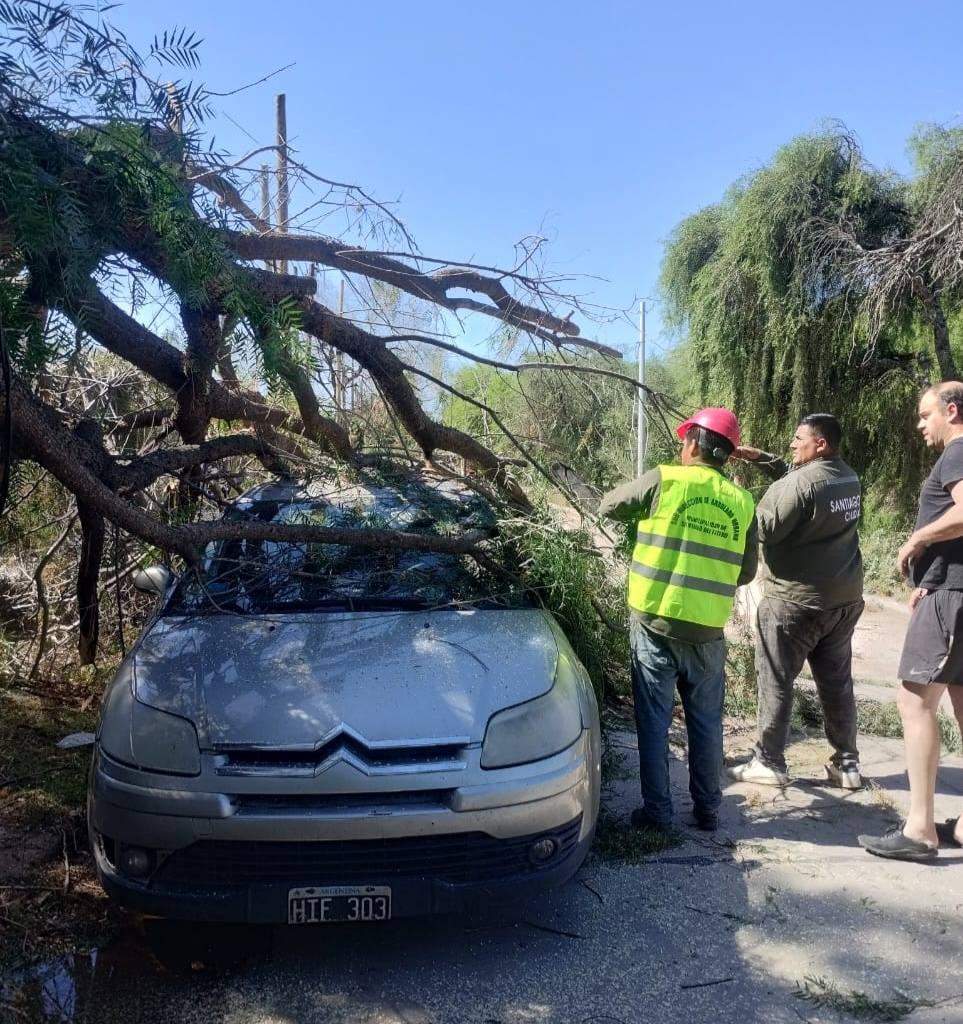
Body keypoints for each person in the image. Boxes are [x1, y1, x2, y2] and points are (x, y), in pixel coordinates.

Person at [599, 408, 757, 832]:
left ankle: (658, 812)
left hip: (655, 624)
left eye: (684, 440)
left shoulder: (665, 480)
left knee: (654, 723)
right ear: (727, 455)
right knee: (706, 724)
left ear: (692, 444)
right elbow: (746, 572)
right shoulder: (742, 502)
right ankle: (708, 809)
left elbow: (608, 505)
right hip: (708, 631)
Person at [727, 414, 865, 789]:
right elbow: (804, 486)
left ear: (820, 444)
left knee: (776, 677)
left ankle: (769, 762)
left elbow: (764, 528)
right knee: (837, 684)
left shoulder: (799, 484)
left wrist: (738, 497)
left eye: (798, 438)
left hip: (795, 603)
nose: (792, 443)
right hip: (843, 600)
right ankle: (847, 765)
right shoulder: (847, 477)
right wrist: (761, 459)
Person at [859, 382, 963, 861]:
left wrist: (917, 539)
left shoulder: (957, 452)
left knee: (914, 700)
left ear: (952, 411)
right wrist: (930, 574)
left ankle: (920, 831)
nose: (920, 424)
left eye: (926, 415)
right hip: (951, 590)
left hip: (950, 600)